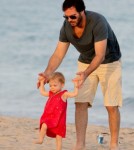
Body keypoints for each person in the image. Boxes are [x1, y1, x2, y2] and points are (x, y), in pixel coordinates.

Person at [37, 0, 122, 149]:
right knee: (80, 103)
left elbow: (100, 55)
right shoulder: (66, 28)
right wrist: (47, 73)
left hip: (109, 62)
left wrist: (86, 74)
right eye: (66, 17)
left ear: (82, 11)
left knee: (111, 105)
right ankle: (79, 144)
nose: (69, 20)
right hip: (85, 62)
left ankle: (114, 144)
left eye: (73, 17)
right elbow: (58, 54)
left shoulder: (98, 21)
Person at [35, 72, 78, 150]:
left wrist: (75, 85)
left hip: (60, 120)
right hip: (50, 117)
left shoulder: (64, 94)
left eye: (55, 85)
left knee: (59, 137)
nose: (52, 87)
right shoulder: (51, 93)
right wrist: (41, 82)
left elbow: (75, 94)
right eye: (50, 85)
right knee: (44, 125)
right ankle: (41, 139)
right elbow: (42, 92)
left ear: (62, 85)